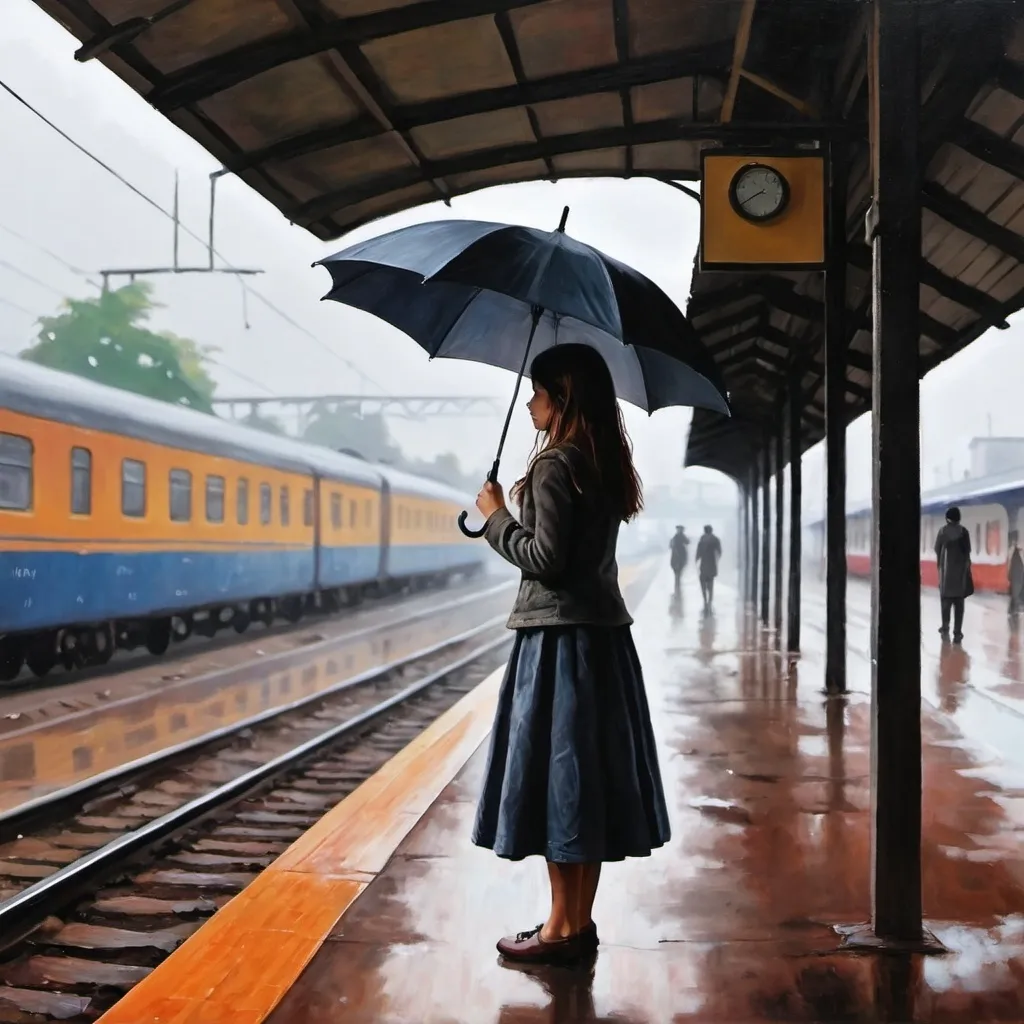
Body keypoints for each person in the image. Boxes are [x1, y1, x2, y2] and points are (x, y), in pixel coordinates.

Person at [471, 343, 670, 966]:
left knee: (561, 780)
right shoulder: (602, 465)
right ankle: (574, 920)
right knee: (585, 782)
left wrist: (497, 518)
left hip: (558, 644)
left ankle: (558, 930)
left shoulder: (556, 465)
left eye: (539, 392)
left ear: (562, 400)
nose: (531, 402)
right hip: (604, 645)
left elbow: (546, 561)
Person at [935, 506, 972, 644]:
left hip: (946, 576)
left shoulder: (943, 532)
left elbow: (937, 549)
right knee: (959, 605)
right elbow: (968, 552)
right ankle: (957, 632)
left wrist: (940, 566)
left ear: (947, 518)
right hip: (960, 576)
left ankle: (945, 627)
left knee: (945, 604)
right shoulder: (964, 532)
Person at [695, 524, 722, 612]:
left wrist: (696, 559)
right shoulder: (715, 539)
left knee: (702, 582)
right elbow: (719, 552)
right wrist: (717, 559)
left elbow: (698, 552)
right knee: (710, 583)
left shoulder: (702, 539)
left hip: (703, 565)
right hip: (712, 564)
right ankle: (710, 600)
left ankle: (705, 600)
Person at [1008, 530, 1024, 619]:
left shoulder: (1015, 552)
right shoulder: (1015, 552)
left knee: (1015, 594)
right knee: (1015, 594)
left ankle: (1013, 609)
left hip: (1017, 578)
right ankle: (1013, 610)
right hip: (1016, 578)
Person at [669, 525, 689, 594]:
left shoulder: (674, 538)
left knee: (677, 573)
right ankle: (677, 587)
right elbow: (688, 542)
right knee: (678, 573)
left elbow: (670, 546)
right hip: (680, 558)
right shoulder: (681, 537)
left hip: (675, 558)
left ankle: (677, 587)